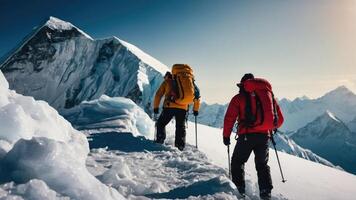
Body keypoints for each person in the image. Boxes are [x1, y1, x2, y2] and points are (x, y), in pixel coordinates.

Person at [222, 73, 284, 200]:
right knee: (262, 165)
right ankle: (266, 192)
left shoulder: (238, 98)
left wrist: (226, 136)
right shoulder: (269, 96)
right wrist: (267, 128)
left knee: (238, 161)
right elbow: (280, 119)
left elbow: (229, 118)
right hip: (264, 137)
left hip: (246, 136)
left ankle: (239, 190)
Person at [153, 68, 200, 151]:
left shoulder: (167, 81)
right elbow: (196, 96)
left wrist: (156, 107)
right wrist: (196, 109)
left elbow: (158, 94)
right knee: (180, 127)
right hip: (183, 108)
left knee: (161, 123)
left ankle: (160, 141)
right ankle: (180, 146)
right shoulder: (189, 82)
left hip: (169, 106)